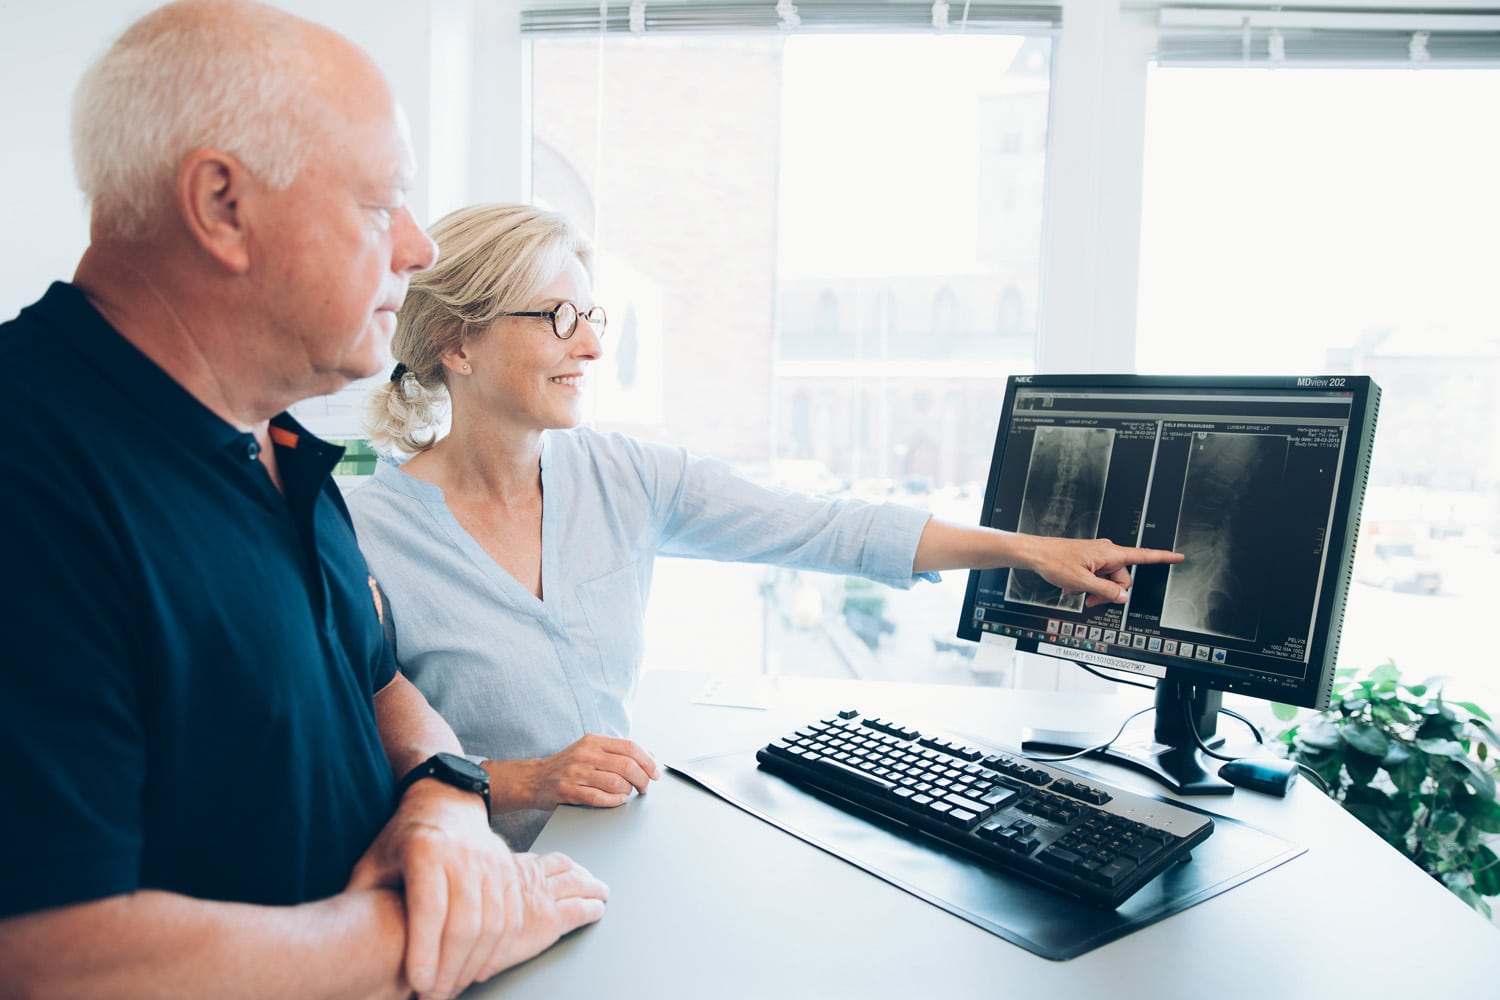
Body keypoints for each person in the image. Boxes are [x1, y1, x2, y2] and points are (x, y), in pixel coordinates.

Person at [0, 4, 605, 998]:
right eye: (382, 205)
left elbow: (380, 689)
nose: (417, 248)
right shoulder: (32, 475)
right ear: (222, 206)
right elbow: (49, 957)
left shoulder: (278, 446)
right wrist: (438, 922)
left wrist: (444, 801)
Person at [346, 202, 1185, 851]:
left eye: (593, 319)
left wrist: (1021, 550)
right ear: (458, 344)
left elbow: (825, 528)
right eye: (559, 319)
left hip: (618, 865)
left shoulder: (626, 476)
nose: (593, 349)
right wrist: (528, 780)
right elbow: (350, 764)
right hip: (475, 897)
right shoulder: (361, 534)